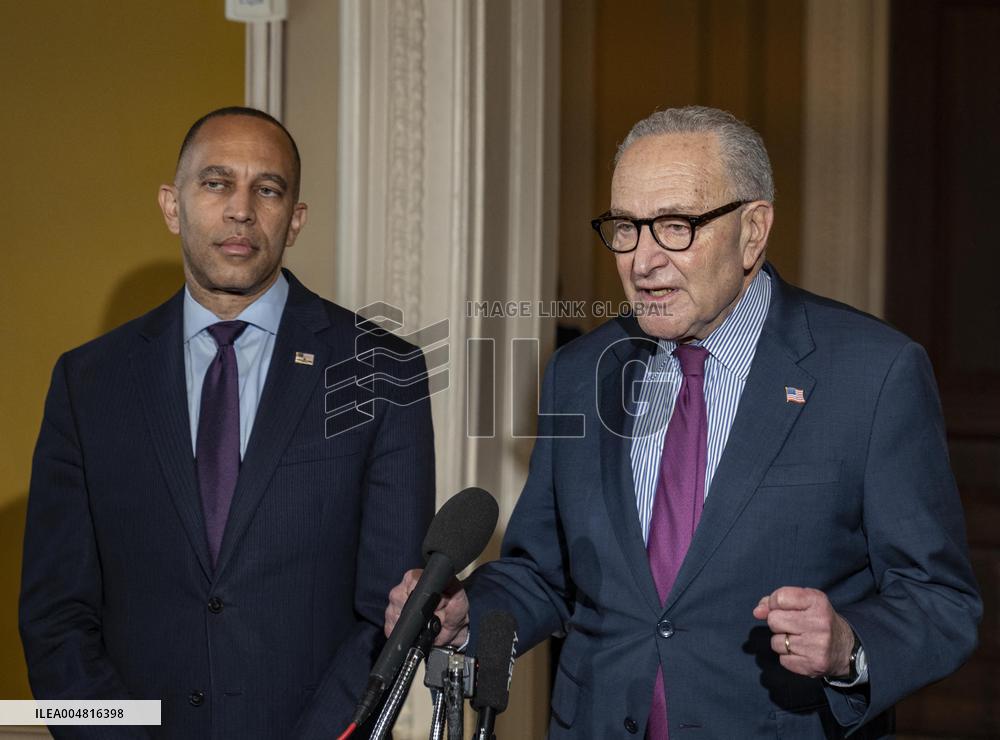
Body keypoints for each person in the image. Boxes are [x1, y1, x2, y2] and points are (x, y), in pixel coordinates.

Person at [386, 106, 981, 738]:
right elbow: (546, 571)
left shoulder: (873, 373)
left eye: (675, 226)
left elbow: (940, 602)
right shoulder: (580, 372)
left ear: (754, 231)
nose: (642, 262)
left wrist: (850, 646)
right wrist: (468, 609)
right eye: (625, 228)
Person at [20, 107, 436, 739]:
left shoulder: (383, 372)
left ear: (294, 220)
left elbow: (390, 618)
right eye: (215, 183)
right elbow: (54, 618)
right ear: (171, 205)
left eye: (267, 189)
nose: (241, 209)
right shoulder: (88, 383)